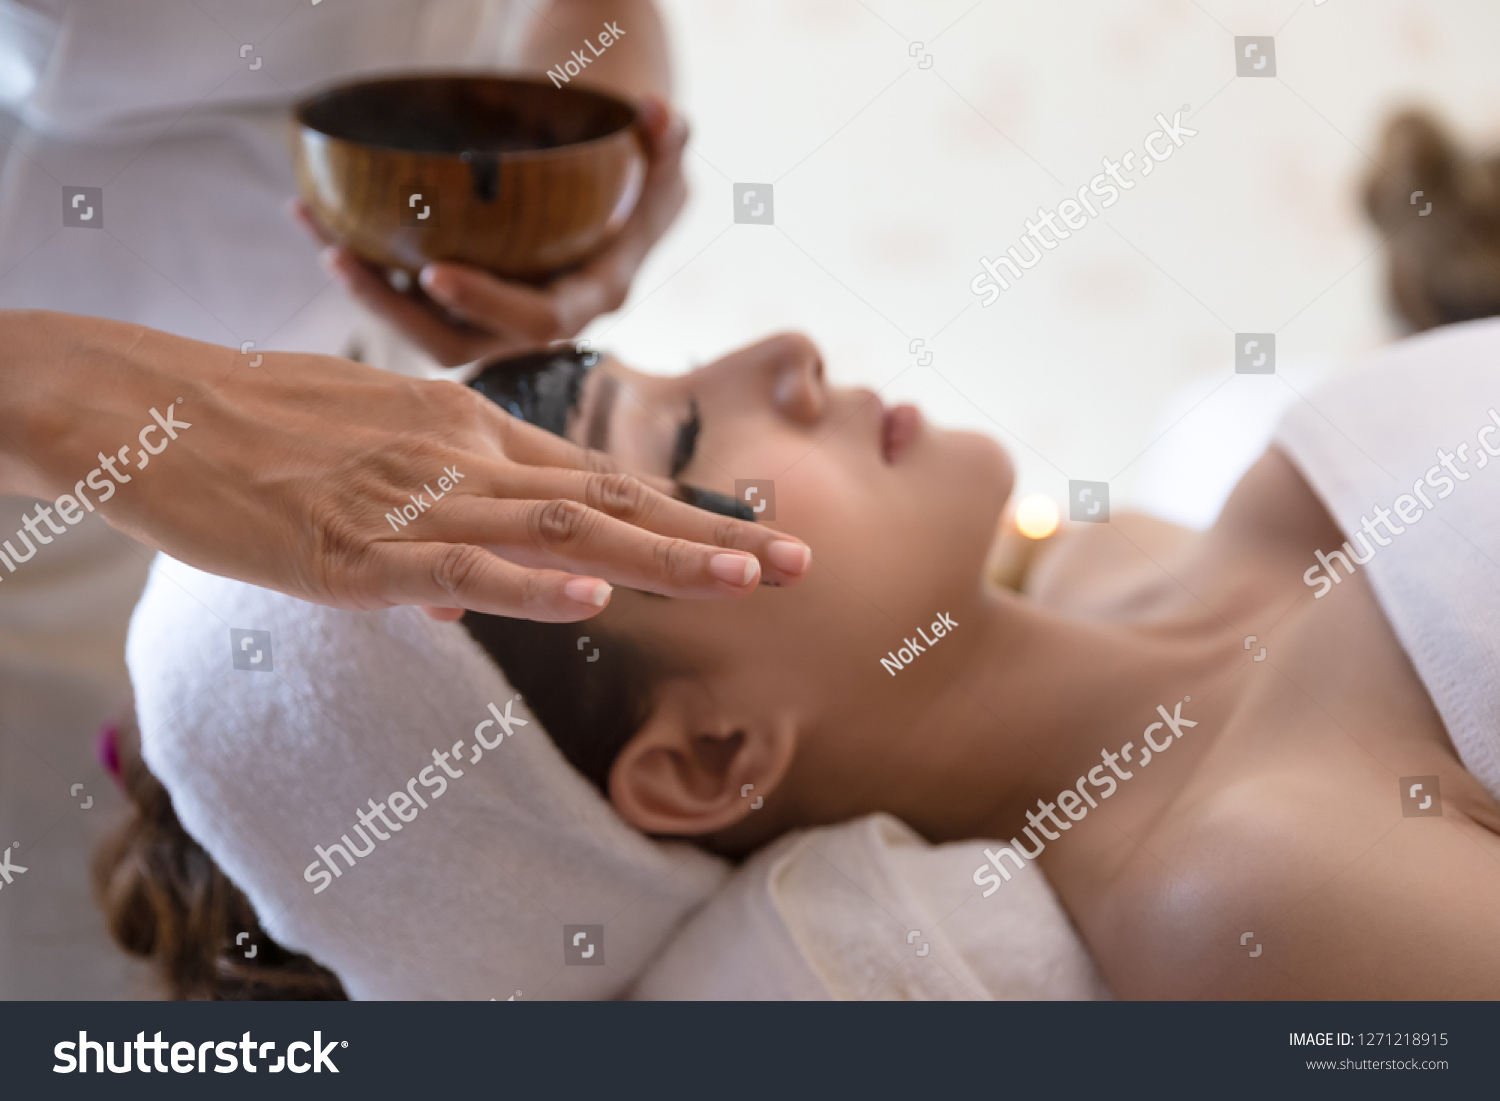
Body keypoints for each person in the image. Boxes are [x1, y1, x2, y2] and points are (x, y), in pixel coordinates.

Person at [97, 111, 1500, 1001]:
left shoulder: (1135, 550)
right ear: (709, 759)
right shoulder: (1244, 895)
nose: (788, 352)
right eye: (687, 437)